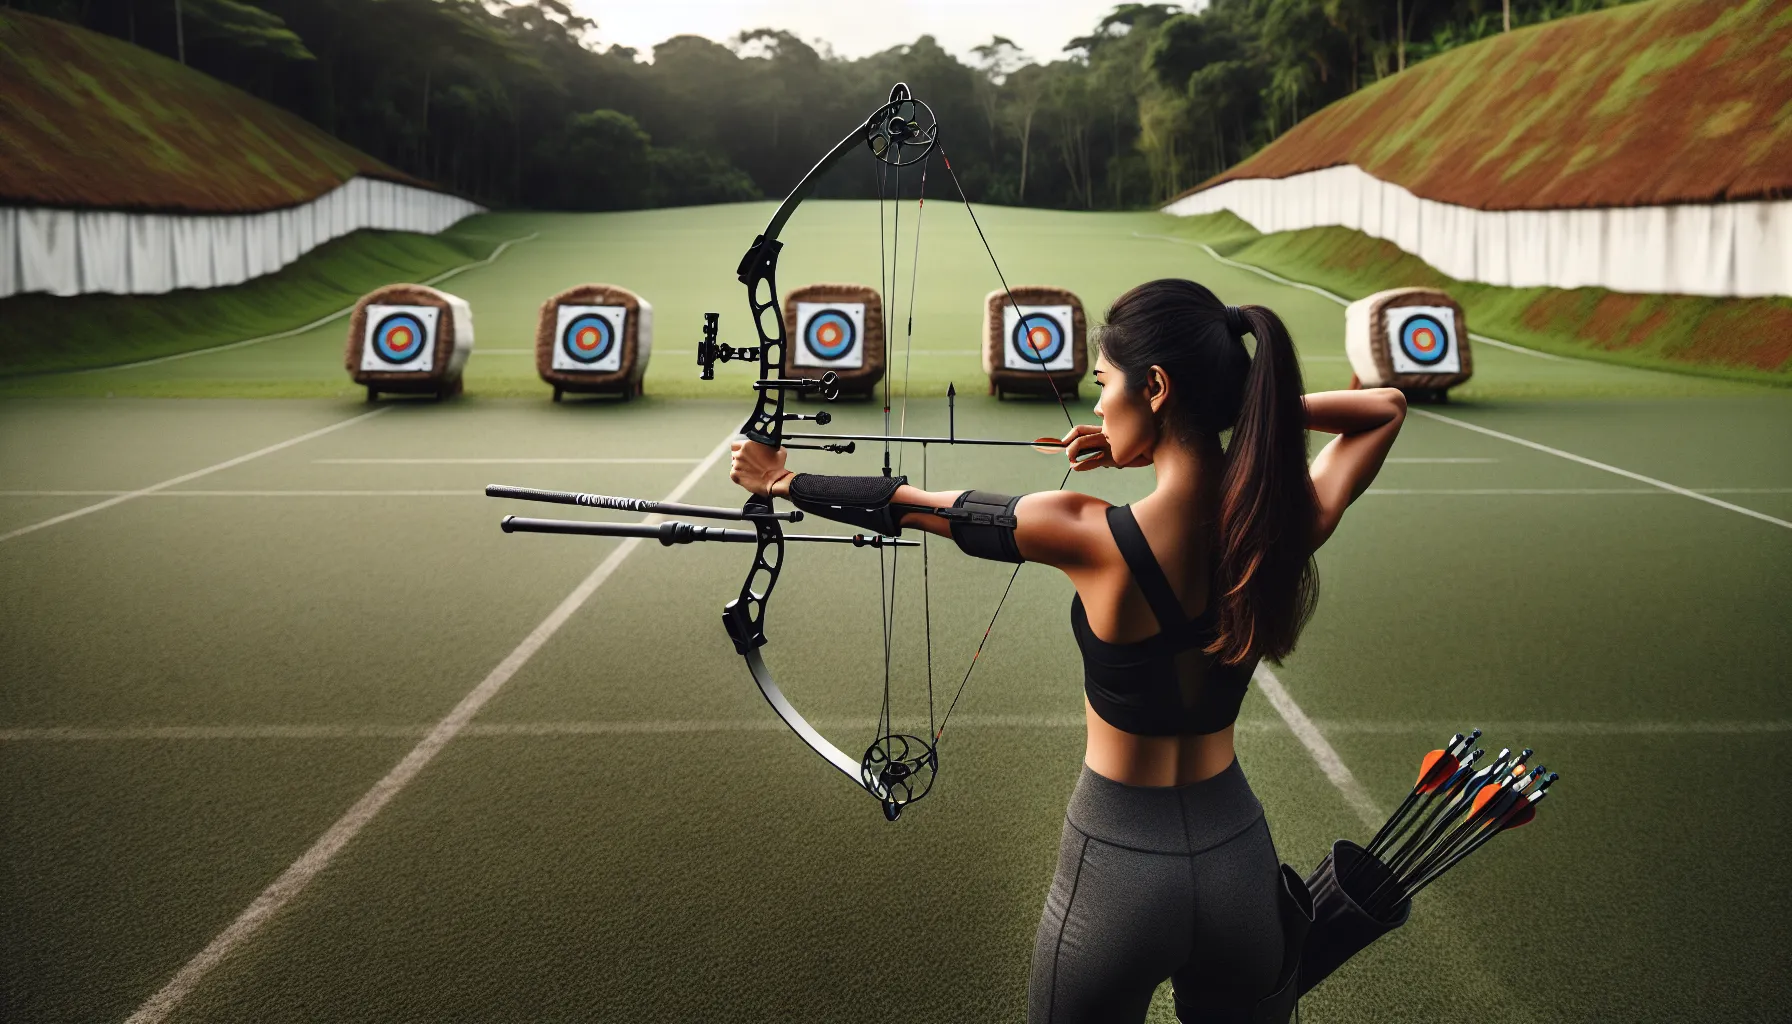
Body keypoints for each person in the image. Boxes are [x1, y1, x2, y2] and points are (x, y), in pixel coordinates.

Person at [729, 278, 1407, 1023]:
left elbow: (915, 506)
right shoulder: (1278, 526)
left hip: (1117, 863)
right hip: (1236, 857)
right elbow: (1384, 411)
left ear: (1154, 387)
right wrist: (1239, 411)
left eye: (1104, 383)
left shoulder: (1087, 532)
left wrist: (781, 478)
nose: (1096, 405)